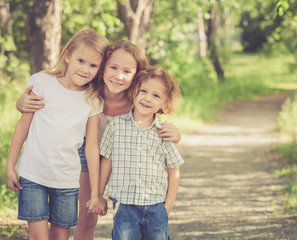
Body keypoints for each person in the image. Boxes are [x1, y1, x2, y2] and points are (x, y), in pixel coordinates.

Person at [16, 40, 182, 239]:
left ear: (137, 75)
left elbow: (153, 121)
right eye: (113, 67)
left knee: (89, 219)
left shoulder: (137, 99)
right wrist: (21, 103)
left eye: (127, 71)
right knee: (86, 213)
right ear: (103, 68)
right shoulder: (89, 91)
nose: (118, 76)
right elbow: (57, 94)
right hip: (87, 150)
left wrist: (176, 134)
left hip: (122, 157)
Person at [6, 28, 108, 240]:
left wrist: (96, 193)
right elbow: (22, 126)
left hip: (67, 180)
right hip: (33, 175)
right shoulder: (42, 83)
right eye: (81, 60)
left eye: (93, 65)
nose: (85, 69)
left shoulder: (93, 100)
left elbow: (91, 147)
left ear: (99, 69)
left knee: (60, 237)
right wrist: (10, 167)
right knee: (39, 237)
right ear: (68, 55)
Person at [99, 66, 184, 240]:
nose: (147, 98)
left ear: (164, 103)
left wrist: (167, 206)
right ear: (134, 92)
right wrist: (98, 195)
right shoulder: (116, 126)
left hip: (155, 205)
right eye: (143, 91)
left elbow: (174, 169)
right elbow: (106, 161)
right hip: (125, 204)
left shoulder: (163, 132)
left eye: (156, 95)